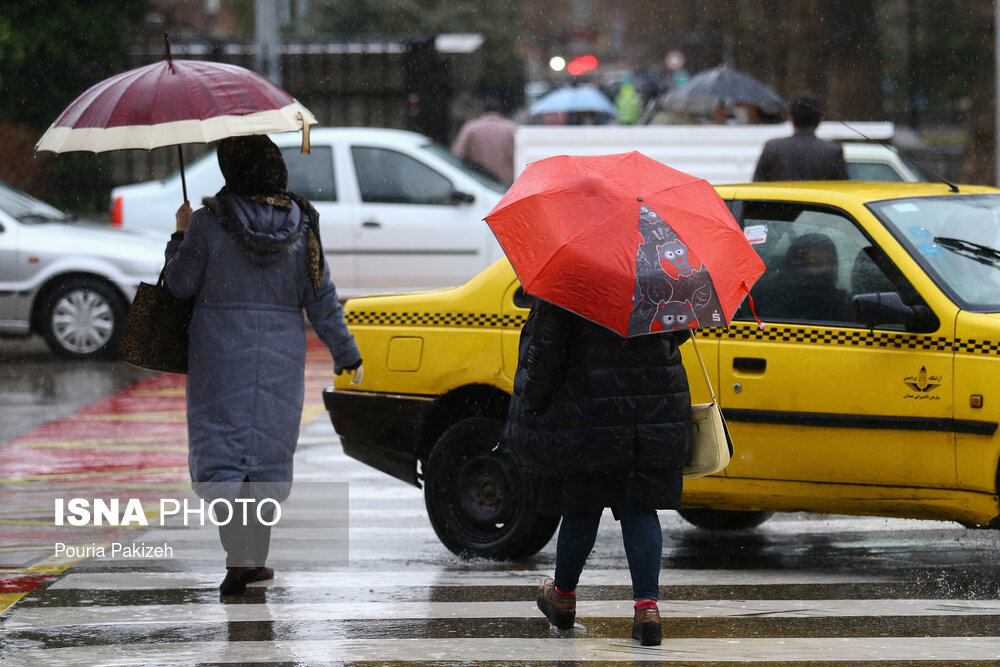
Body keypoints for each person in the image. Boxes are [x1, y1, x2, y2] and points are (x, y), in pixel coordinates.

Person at [164, 135, 362, 596]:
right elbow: (322, 298)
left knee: (223, 456)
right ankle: (255, 559)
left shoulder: (209, 223)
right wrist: (346, 351)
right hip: (280, 358)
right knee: (269, 455)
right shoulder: (303, 224)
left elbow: (179, 285)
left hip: (219, 356)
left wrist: (180, 234)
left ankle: (240, 558)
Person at [502, 298, 692, 646]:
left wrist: (530, 397)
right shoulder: (657, 276)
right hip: (650, 409)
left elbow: (545, 351)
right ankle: (647, 609)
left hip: (585, 410)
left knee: (581, 506)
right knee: (640, 507)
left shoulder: (570, 280)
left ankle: (562, 596)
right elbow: (677, 332)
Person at [753, 94, 849, 181]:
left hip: (780, 200)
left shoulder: (773, 147)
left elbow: (757, 186)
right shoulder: (832, 151)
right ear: (820, 120)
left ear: (790, 118)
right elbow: (842, 188)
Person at [451, 98, 517, 185]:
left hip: (478, 180)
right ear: (500, 112)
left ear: (482, 113)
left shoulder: (471, 127)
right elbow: (519, 155)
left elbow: (458, 153)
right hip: (505, 182)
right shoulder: (512, 128)